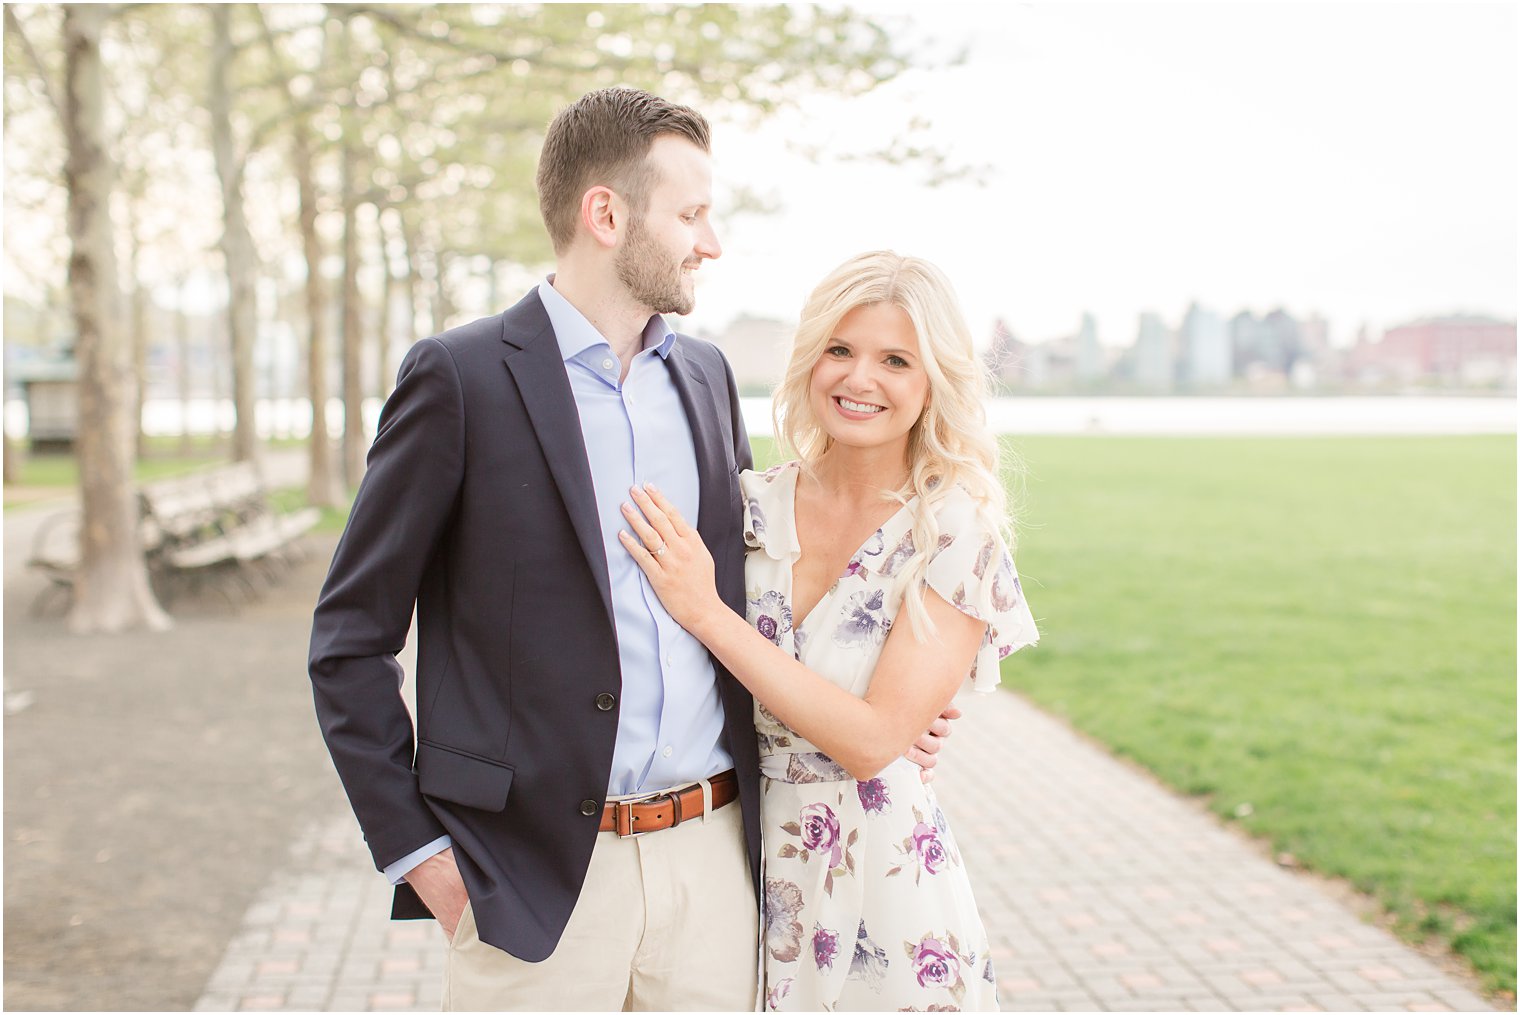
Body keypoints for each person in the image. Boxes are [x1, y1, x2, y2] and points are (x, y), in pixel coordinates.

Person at [308, 88, 952, 1011]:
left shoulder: (704, 377)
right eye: (691, 214)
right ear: (605, 214)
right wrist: (420, 855)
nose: (711, 241)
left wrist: (884, 706)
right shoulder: (458, 380)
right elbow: (348, 640)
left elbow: (744, 597)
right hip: (529, 879)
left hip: (714, 864)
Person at [619, 250, 1040, 1011]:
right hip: (737, 866)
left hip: (886, 887)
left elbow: (876, 738)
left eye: (895, 360)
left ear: (932, 381)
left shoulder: (953, 531)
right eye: (840, 351)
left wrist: (707, 610)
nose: (858, 379)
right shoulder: (748, 507)